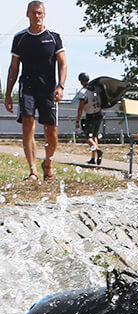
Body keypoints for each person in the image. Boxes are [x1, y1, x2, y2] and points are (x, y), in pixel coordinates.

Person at [4, 0, 66, 182]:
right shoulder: (20, 38)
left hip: (48, 89)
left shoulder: (54, 37)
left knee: (51, 132)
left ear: (44, 14)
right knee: (27, 125)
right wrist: (8, 93)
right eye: (33, 12)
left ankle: (48, 164)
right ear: (28, 14)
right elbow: (13, 68)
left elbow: (62, 63)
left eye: (39, 13)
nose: (37, 16)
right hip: (28, 88)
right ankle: (33, 171)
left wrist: (60, 86)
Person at [74, 72, 103, 165]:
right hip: (99, 114)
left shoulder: (83, 92)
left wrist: (77, 120)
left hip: (90, 116)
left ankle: (98, 151)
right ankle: (93, 158)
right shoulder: (96, 90)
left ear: (81, 81)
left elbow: (80, 108)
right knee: (94, 136)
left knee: (88, 138)